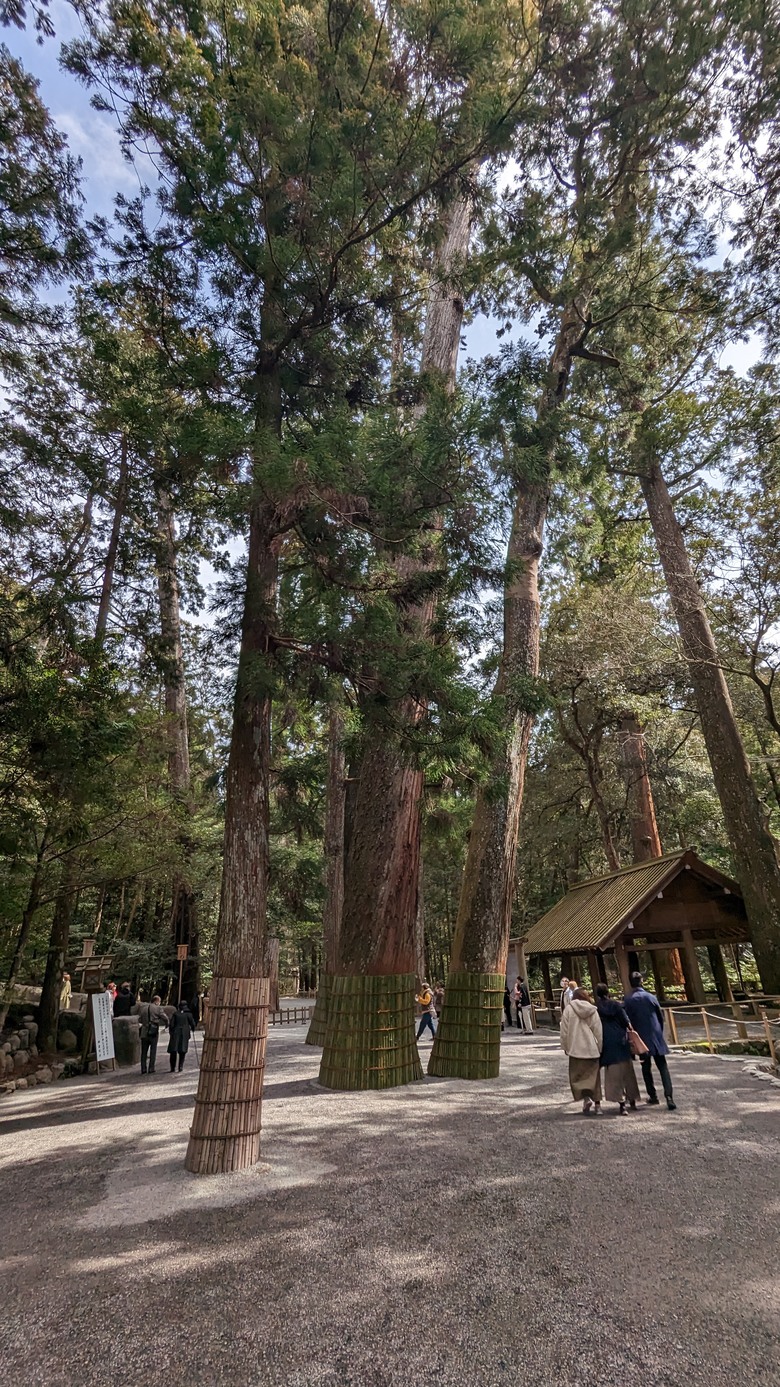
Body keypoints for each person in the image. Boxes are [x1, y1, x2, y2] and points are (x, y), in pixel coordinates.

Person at [623, 971, 676, 1110]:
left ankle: (653, 1095)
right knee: (663, 1067)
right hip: (656, 1036)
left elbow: (627, 1021)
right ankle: (669, 1096)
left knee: (646, 1069)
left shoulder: (628, 1000)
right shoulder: (651, 997)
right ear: (642, 981)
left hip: (641, 1039)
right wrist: (659, 1031)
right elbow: (660, 1016)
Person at [595, 983, 640, 1115]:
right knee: (627, 1072)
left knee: (613, 1074)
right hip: (620, 1039)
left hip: (606, 1041)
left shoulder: (597, 1008)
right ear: (608, 992)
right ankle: (632, 1100)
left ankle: (621, 1104)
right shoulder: (616, 1005)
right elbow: (626, 1022)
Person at [559, 987, 603, 1114]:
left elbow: (564, 1031)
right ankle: (598, 1106)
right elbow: (598, 1030)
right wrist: (600, 1047)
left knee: (578, 1077)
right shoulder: (592, 1009)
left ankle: (586, 1098)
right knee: (594, 1078)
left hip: (575, 1048)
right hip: (591, 1048)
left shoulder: (569, 1009)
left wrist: (565, 1046)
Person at [138, 994, 169, 1075]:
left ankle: (143, 1068)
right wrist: (167, 1025)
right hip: (153, 1030)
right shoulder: (158, 1008)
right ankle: (151, 1068)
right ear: (157, 1001)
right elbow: (165, 1018)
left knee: (144, 1051)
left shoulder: (143, 1008)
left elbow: (140, 1019)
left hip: (144, 1031)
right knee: (153, 1050)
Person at [168, 1000, 195, 1072]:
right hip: (184, 1033)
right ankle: (180, 1066)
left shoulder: (176, 1014)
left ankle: (172, 1067)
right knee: (182, 1050)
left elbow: (171, 1025)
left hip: (175, 1033)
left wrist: (171, 1032)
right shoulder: (188, 1014)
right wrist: (193, 1029)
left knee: (173, 1050)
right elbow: (192, 1023)